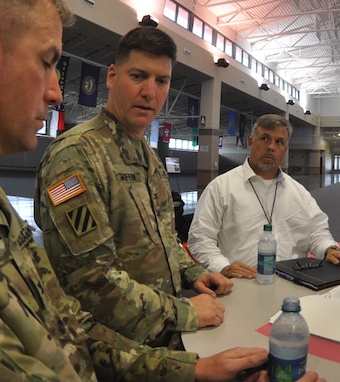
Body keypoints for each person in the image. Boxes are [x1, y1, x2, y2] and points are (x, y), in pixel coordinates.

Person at [0, 0, 318, 381]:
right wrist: (186, 339)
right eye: (47, 61)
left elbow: (63, 325)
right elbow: (88, 288)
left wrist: (191, 328)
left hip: (155, 345)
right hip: (139, 343)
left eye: (162, 81)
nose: (57, 92)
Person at [35, 27, 232, 351]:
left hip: (162, 338)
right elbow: (90, 281)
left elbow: (164, 240)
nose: (149, 92)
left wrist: (193, 273)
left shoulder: (148, 159)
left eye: (161, 81)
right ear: (112, 76)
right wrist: (185, 311)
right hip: (116, 352)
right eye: (138, 76)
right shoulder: (75, 156)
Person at [188, 114, 340, 278]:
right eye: (264, 138)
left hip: (295, 281)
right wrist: (223, 267)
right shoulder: (221, 187)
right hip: (241, 282)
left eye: (279, 142)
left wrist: (330, 249)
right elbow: (200, 238)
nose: (271, 147)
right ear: (251, 142)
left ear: (285, 149)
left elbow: (317, 232)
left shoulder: (298, 192)